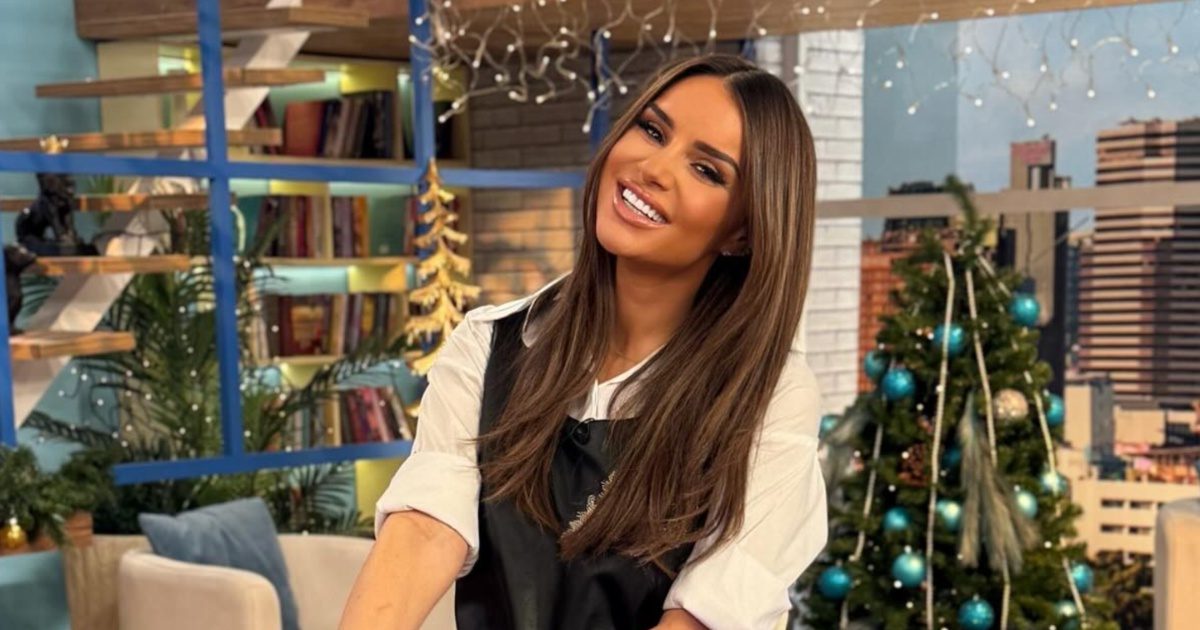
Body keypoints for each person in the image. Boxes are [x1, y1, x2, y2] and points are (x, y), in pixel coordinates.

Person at [340, 53, 826, 630]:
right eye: (653, 131)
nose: (653, 167)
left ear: (743, 231)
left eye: (706, 170)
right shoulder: (487, 345)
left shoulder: (770, 394)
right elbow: (425, 528)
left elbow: (704, 617)